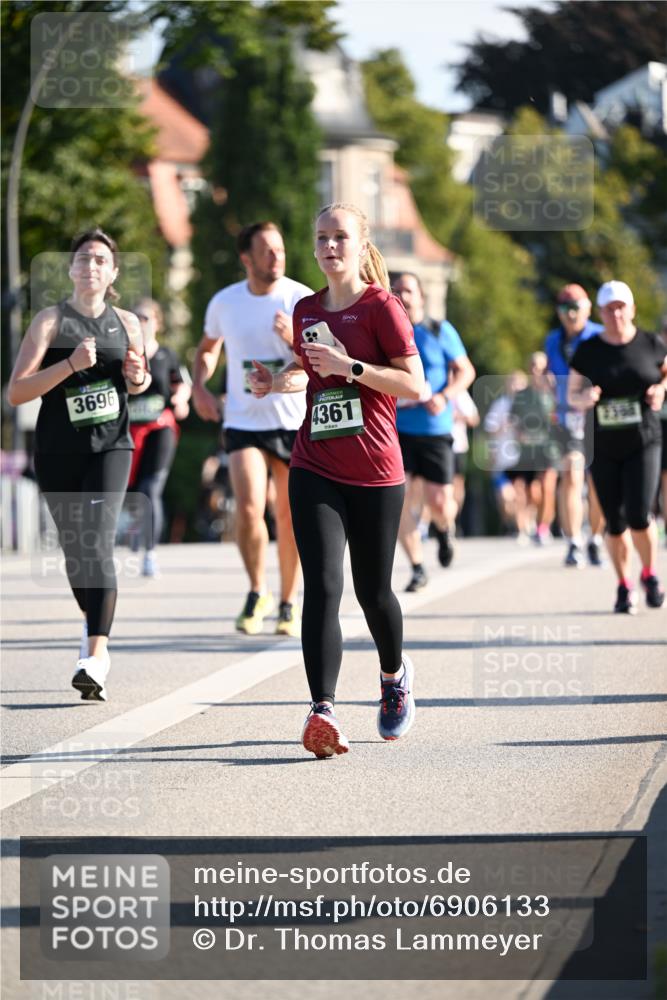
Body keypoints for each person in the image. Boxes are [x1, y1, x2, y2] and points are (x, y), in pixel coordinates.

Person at [249, 203, 425, 758]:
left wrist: (351, 367)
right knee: (323, 587)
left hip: (375, 470)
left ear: (359, 243)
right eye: (321, 237)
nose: (329, 246)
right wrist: (275, 382)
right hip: (315, 462)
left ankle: (394, 678)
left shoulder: (383, 307)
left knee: (374, 593)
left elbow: (414, 385)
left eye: (339, 237)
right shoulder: (304, 309)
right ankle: (321, 710)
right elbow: (309, 370)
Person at [7, 228, 149, 701]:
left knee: (98, 541)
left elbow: (138, 381)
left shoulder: (128, 322)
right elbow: (17, 391)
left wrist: (136, 376)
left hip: (112, 446)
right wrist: (68, 365)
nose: (91, 266)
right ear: (70, 269)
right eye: (83, 258)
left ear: (112, 274)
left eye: (100, 260)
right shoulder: (49, 321)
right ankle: (93, 632)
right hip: (58, 453)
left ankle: (96, 653)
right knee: (75, 554)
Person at [192, 222, 312, 637]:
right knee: (247, 507)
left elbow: (319, 360)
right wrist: (199, 387)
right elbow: (208, 349)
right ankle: (258, 589)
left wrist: (293, 337)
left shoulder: (300, 298)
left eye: (280, 249)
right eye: (266, 250)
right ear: (247, 258)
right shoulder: (225, 302)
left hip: (292, 420)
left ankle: (288, 601)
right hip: (243, 420)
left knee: (289, 516)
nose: (276, 256)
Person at [568, 280, 667, 613]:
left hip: (644, 440)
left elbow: (665, 373)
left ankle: (650, 574)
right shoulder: (588, 350)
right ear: (601, 312)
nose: (616, 314)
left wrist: (661, 389)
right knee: (615, 520)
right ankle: (624, 585)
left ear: (632, 309)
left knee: (640, 513)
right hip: (604, 445)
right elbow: (572, 393)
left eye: (622, 307)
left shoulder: (651, 344)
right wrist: (586, 398)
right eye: (609, 309)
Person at [391, 272, 475, 591]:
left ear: (421, 297)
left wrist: (444, 396)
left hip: (436, 429)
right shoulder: (386, 332)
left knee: (439, 500)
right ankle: (416, 567)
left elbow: (466, 371)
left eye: (408, 290)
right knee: (399, 500)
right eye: (396, 290)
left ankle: (444, 528)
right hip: (398, 429)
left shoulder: (439, 330)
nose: (402, 296)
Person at [127, 298, 191, 576]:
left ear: (157, 322)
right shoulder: (124, 355)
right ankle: (136, 530)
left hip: (160, 428)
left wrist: (181, 399)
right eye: (135, 318)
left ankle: (149, 553)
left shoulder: (166, 354)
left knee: (151, 488)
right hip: (129, 431)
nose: (141, 323)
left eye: (145, 317)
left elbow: (182, 384)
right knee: (133, 491)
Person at [544, 283, 605, 567]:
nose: (570, 314)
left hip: (597, 414)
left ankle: (595, 537)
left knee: (598, 484)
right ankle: (574, 542)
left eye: (576, 308)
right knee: (572, 474)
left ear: (587, 308)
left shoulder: (599, 336)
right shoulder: (552, 340)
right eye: (565, 308)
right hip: (568, 416)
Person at [508, 352, 558, 545]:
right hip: (528, 448)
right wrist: (519, 432)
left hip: (550, 447)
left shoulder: (554, 393)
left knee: (547, 486)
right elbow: (514, 420)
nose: (537, 371)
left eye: (542, 367)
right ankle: (536, 521)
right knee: (532, 492)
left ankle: (542, 528)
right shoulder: (521, 395)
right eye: (533, 367)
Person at [451, 389, 480, 533]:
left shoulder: (460, 393)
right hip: (434, 442)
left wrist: (459, 416)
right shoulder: (431, 385)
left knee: (457, 484)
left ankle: (455, 520)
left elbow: (474, 419)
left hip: (457, 446)